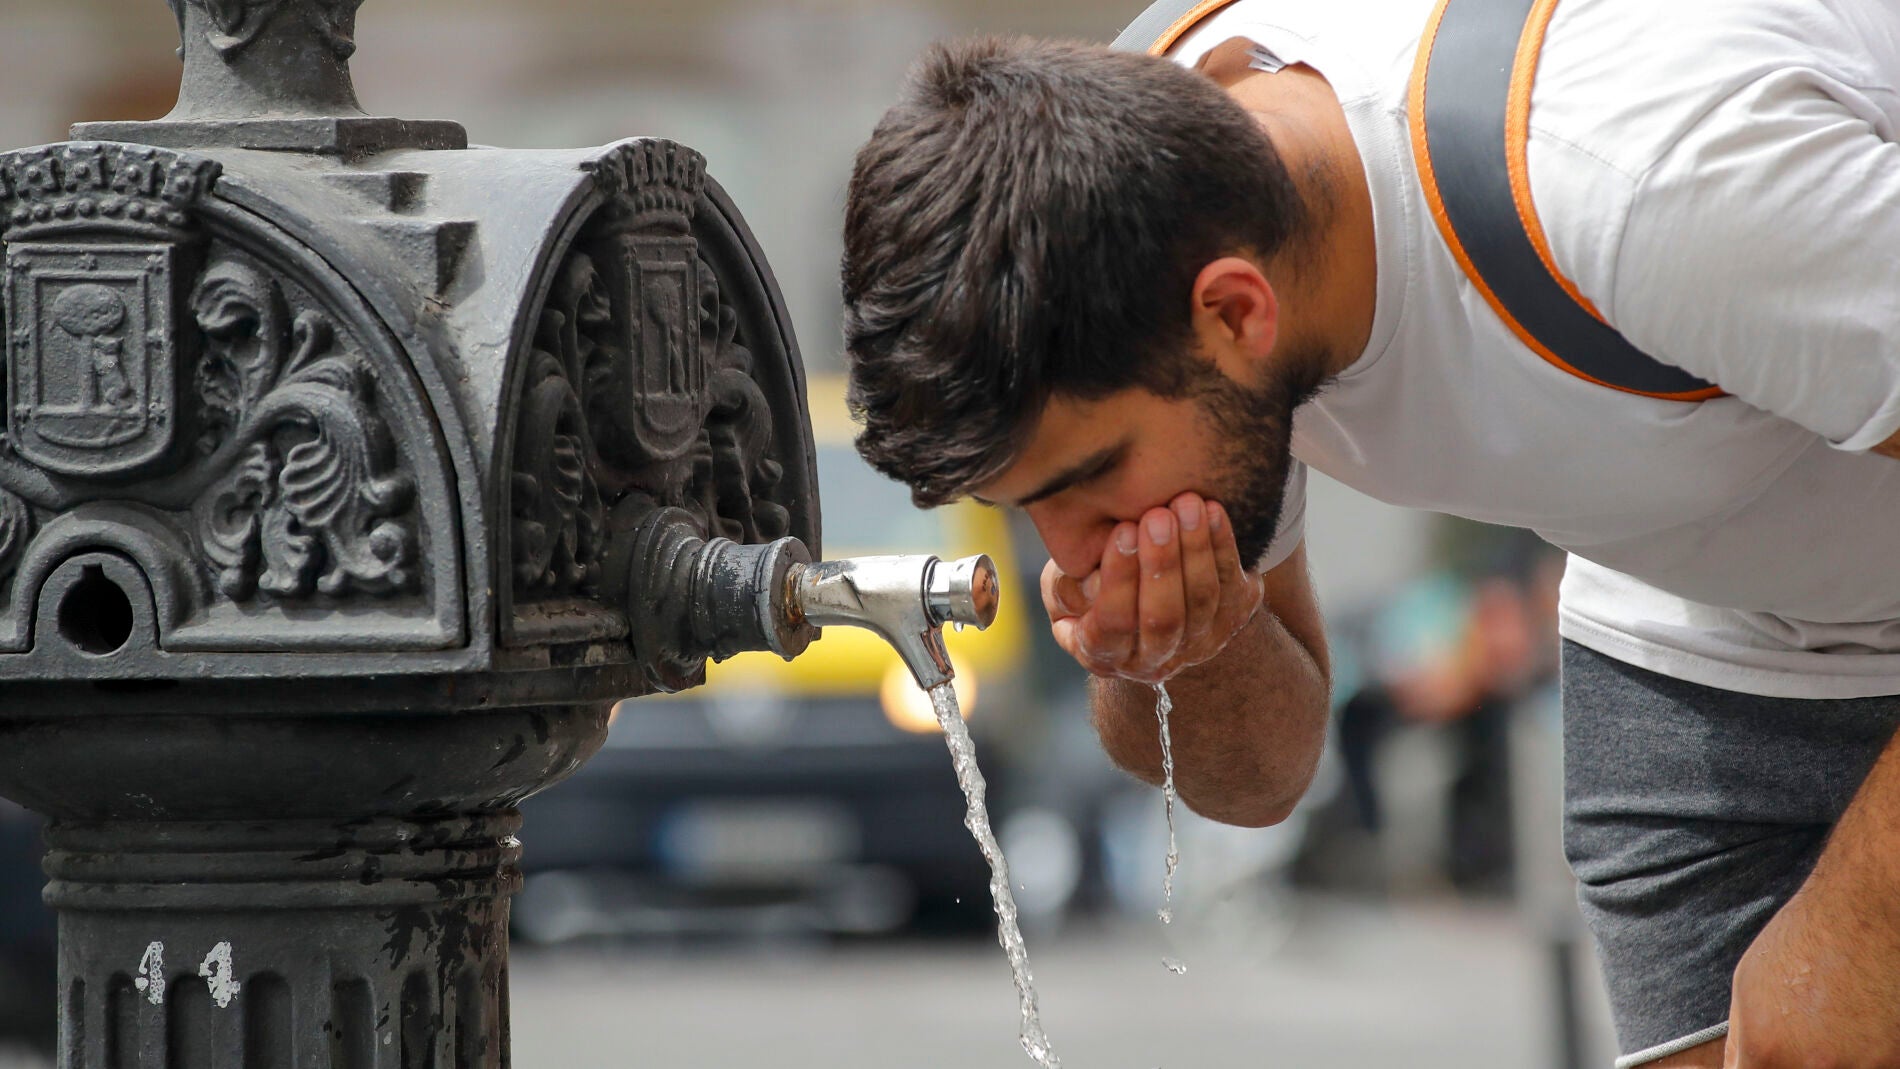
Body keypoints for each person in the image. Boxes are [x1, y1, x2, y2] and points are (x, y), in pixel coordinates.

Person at [836, 0, 1900, 1065]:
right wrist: (1182, 647)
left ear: (1237, 311)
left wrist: (1865, 930)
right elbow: (1263, 776)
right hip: (1688, 616)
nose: (1073, 554)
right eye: (1030, 504)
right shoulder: (1130, 190)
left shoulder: (1648, 180)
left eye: (1093, 478)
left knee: (1820, 1020)